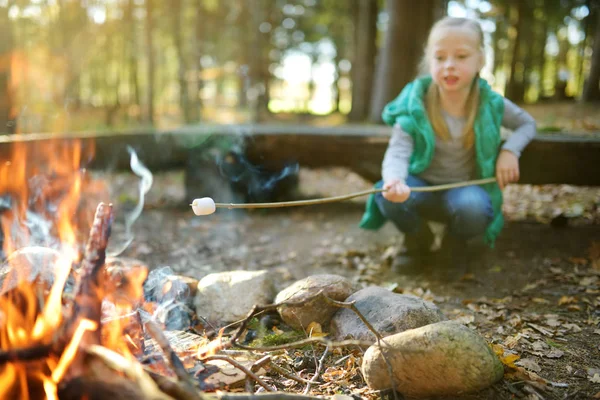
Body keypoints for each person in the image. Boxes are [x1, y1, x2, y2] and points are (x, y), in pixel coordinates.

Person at [359, 17, 536, 277]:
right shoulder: (415, 103)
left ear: (480, 60)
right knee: (384, 194)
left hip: (464, 192)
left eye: (461, 56)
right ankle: (417, 240)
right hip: (419, 189)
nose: (449, 66)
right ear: (429, 61)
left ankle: (455, 245)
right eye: (440, 58)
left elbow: (527, 124)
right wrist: (395, 180)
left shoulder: (490, 103)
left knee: (473, 207)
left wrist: (510, 151)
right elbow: (398, 150)